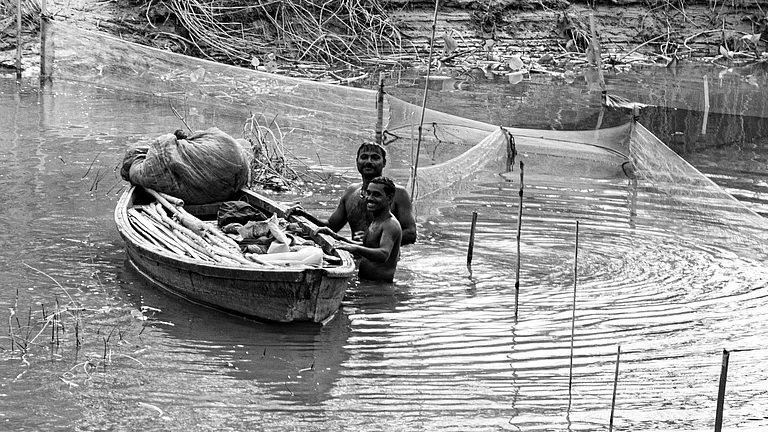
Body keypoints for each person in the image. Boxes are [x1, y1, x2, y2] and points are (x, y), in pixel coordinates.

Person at [321, 141, 417, 245]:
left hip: (383, 259)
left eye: (375, 158)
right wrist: (305, 215)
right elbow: (331, 226)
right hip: (354, 254)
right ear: (357, 161)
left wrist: (374, 239)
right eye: (364, 157)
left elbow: (411, 234)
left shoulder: (398, 193)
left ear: (384, 162)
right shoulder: (350, 192)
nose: (368, 161)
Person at [334, 176, 402, 282]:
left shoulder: (390, 224)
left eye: (376, 194)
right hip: (366, 284)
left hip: (379, 289)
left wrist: (355, 249)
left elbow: (384, 254)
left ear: (389, 198)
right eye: (368, 193)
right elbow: (368, 247)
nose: (369, 198)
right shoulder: (376, 220)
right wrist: (337, 237)